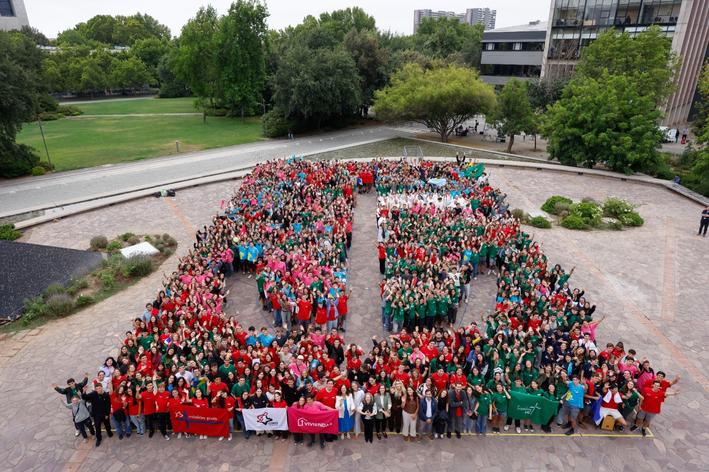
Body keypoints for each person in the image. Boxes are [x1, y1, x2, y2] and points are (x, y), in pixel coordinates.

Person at [81, 383, 112, 447]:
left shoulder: (106, 395)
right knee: (97, 427)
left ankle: (109, 432)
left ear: (102, 387)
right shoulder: (93, 394)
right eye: (97, 389)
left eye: (99, 388)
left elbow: (108, 405)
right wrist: (84, 391)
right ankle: (99, 439)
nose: (98, 390)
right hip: (96, 415)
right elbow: (84, 397)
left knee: (107, 424)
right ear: (95, 389)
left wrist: (107, 414)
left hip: (104, 414)